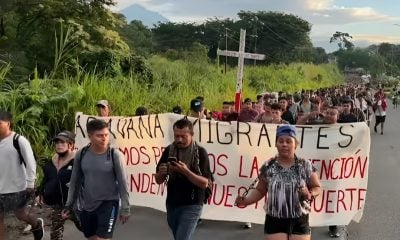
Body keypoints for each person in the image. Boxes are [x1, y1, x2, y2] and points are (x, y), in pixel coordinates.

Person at [235, 125, 322, 240]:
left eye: (288, 141)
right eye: (280, 141)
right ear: (276, 144)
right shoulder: (268, 165)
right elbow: (260, 190)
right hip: (274, 219)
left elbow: (317, 187)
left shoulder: (305, 165)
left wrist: (310, 194)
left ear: (295, 144)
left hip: (299, 219)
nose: (284, 144)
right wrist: (246, 201)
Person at [62, 119, 131, 240]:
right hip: (87, 205)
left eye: (106, 135)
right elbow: (75, 182)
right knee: (92, 237)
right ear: (90, 136)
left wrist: (125, 207)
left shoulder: (115, 155)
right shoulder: (81, 154)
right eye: (99, 136)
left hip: (109, 203)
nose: (104, 138)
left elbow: (123, 183)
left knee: (102, 238)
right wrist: (69, 205)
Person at [155, 118, 212, 240]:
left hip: (193, 203)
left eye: (183, 136)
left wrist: (185, 171)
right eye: (176, 136)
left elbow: (204, 183)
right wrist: (162, 172)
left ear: (191, 135)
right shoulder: (169, 150)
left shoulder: (200, 153)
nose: (179, 140)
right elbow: (158, 180)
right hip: (172, 202)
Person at [0, 110, 45, 240]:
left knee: (21, 214)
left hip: (17, 187)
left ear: (8, 123)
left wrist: (31, 183)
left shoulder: (18, 140)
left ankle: (36, 224)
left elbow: (31, 162)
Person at [38, 130, 80, 240]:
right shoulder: (51, 162)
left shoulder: (78, 162)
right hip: (57, 205)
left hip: (75, 205)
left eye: (62, 142)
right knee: (55, 233)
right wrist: (41, 193)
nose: (59, 145)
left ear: (71, 145)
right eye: (57, 143)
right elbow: (46, 179)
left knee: (87, 229)